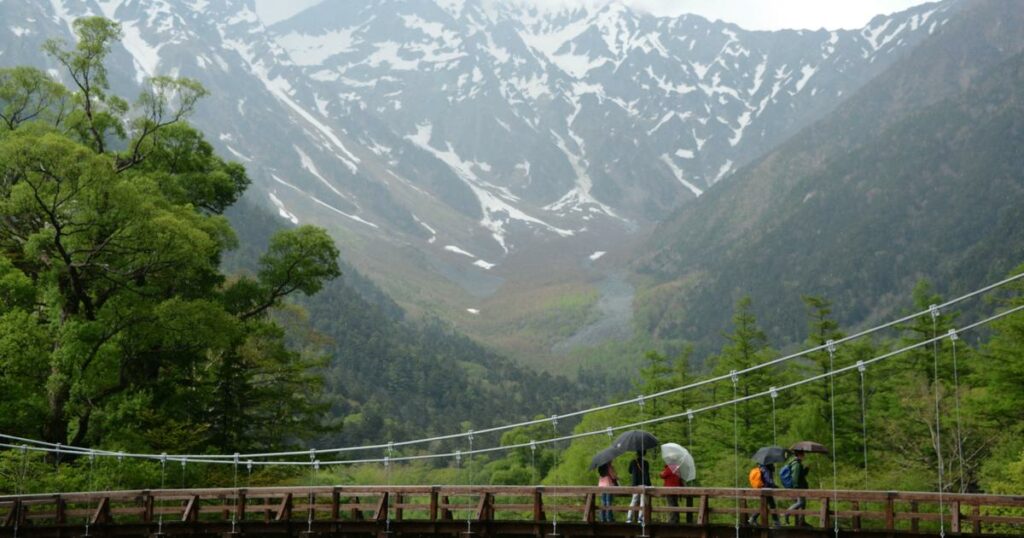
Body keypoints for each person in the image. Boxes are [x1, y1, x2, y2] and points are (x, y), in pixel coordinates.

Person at [748, 463, 781, 528]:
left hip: (763, 489)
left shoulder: (762, 467)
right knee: (771, 505)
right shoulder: (766, 469)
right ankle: (776, 523)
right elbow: (768, 481)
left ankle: (753, 518)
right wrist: (775, 486)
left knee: (766, 505)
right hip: (766, 489)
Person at [784, 451, 811, 526]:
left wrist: (806, 469)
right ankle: (787, 513)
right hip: (799, 488)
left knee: (802, 504)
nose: (804, 456)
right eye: (803, 454)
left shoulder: (797, 464)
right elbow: (795, 478)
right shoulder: (797, 464)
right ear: (799, 455)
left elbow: (801, 475)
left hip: (800, 487)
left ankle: (801, 522)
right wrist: (796, 489)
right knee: (800, 503)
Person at [626, 452, 651, 524]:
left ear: (637, 454)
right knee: (643, 502)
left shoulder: (633, 462)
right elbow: (647, 472)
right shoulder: (646, 463)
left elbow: (630, 471)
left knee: (634, 501)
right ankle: (640, 518)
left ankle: (629, 518)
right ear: (644, 454)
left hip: (635, 484)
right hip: (644, 484)